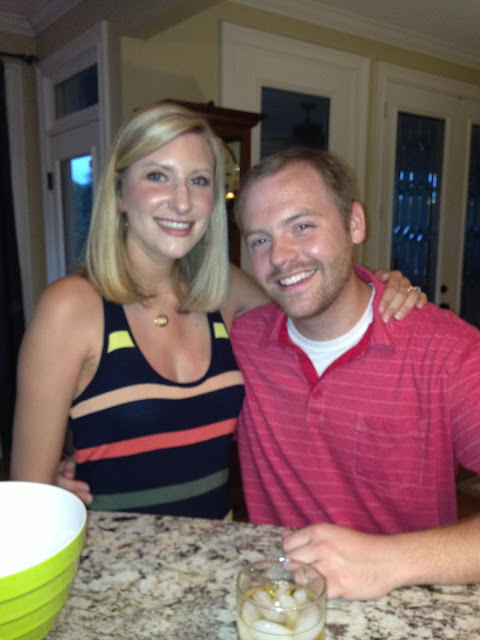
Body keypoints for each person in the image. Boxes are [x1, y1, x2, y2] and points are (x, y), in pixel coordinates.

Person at [13, 101, 424, 519]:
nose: (182, 202)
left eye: (199, 180)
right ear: (119, 193)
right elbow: (27, 498)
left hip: (217, 550)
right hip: (114, 557)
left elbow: (316, 306)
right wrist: (55, 481)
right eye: (158, 176)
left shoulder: (224, 291)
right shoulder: (70, 308)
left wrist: (379, 285)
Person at [230, 146, 480, 600]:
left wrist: (387, 562)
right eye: (260, 240)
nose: (280, 256)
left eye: (302, 226)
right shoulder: (243, 342)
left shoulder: (448, 353)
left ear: (355, 223)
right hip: (283, 603)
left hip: (410, 606)